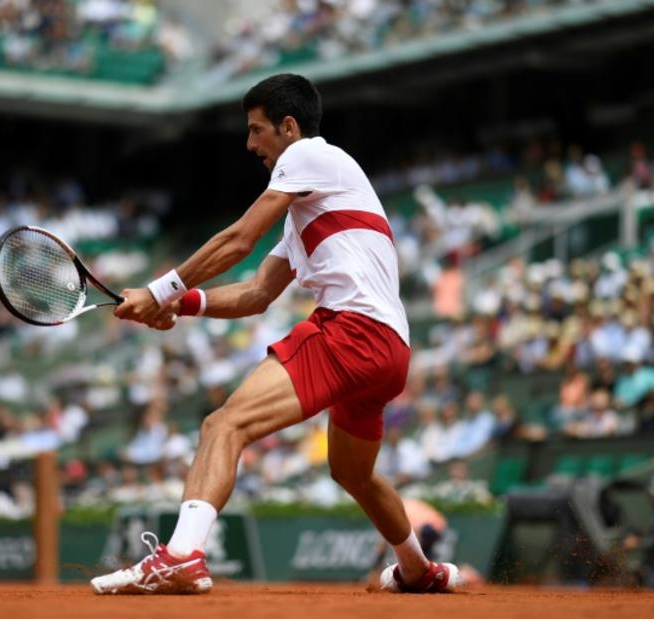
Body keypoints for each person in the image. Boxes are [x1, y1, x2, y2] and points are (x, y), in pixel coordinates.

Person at [91, 74, 459, 595]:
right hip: (391, 351)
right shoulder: (313, 202)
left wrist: (157, 289)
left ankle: (179, 557)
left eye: (257, 130)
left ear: (289, 127)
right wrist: (181, 302)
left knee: (224, 425)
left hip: (351, 331)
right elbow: (258, 293)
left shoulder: (308, 155)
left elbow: (238, 239)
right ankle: (419, 569)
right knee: (353, 472)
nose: (250, 144)